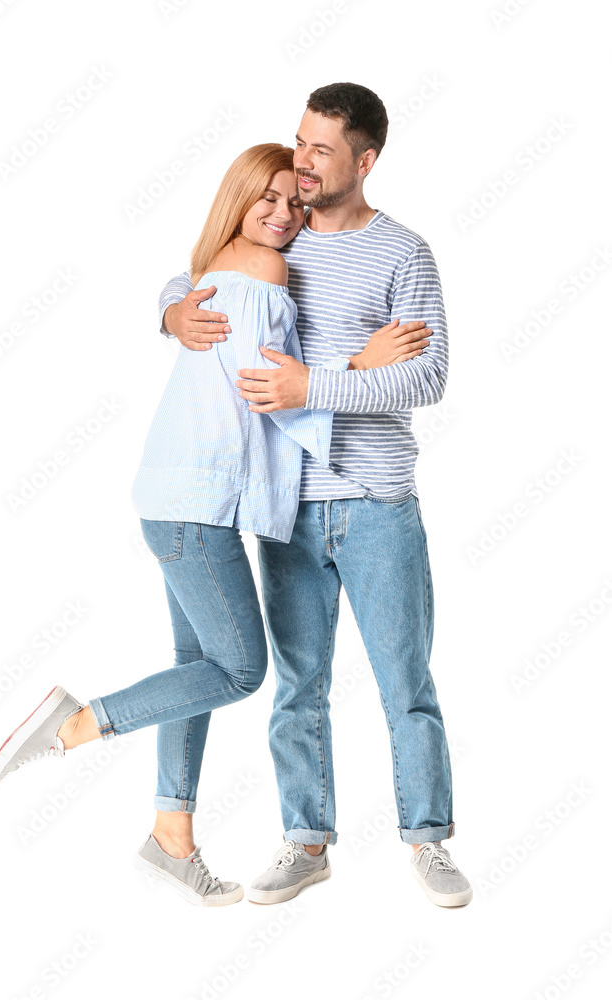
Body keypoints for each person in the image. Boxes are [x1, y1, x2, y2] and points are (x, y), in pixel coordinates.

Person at [0, 143, 428, 908]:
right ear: (238, 196)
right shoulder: (265, 269)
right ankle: (79, 724)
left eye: (295, 202)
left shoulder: (215, 264)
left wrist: (169, 307)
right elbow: (272, 388)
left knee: (194, 669)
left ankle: (170, 837)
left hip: (177, 495)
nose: (284, 215)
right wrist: (359, 367)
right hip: (198, 504)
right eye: (270, 199)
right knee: (238, 671)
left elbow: (191, 296)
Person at [159, 82, 473, 908]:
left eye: (321, 149)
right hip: (285, 503)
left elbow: (429, 374)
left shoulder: (403, 252)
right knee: (298, 687)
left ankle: (427, 840)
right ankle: (306, 841)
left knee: (403, 680)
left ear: (363, 162)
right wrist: (169, 313)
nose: (300, 161)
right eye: (299, 141)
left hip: (376, 499)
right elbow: (191, 277)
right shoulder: (277, 235)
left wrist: (314, 383)